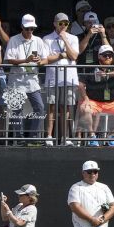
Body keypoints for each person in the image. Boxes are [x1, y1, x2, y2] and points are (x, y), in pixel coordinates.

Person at [3, 14, 50, 141]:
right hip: (16, 80)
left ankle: (33, 137)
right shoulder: (13, 40)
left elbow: (45, 60)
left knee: (39, 107)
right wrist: (26, 60)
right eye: (27, 28)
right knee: (16, 109)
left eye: (32, 29)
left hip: (32, 80)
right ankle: (19, 138)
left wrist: (39, 62)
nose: (30, 31)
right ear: (22, 27)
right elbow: (9, 60)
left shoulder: (38, 40)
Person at [42, 12, 80, 145]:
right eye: (60, 23)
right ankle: (49, 136)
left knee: (66, 108)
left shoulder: (73, 38)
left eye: (66, 23)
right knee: (51, 107)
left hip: (69, 78)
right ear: (55, 24)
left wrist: (65, 39)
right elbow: (45, 59)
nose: (63, 25)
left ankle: (66, 137)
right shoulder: (47, 39)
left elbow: (74, 56)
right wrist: (62, 55)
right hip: (53, 77)